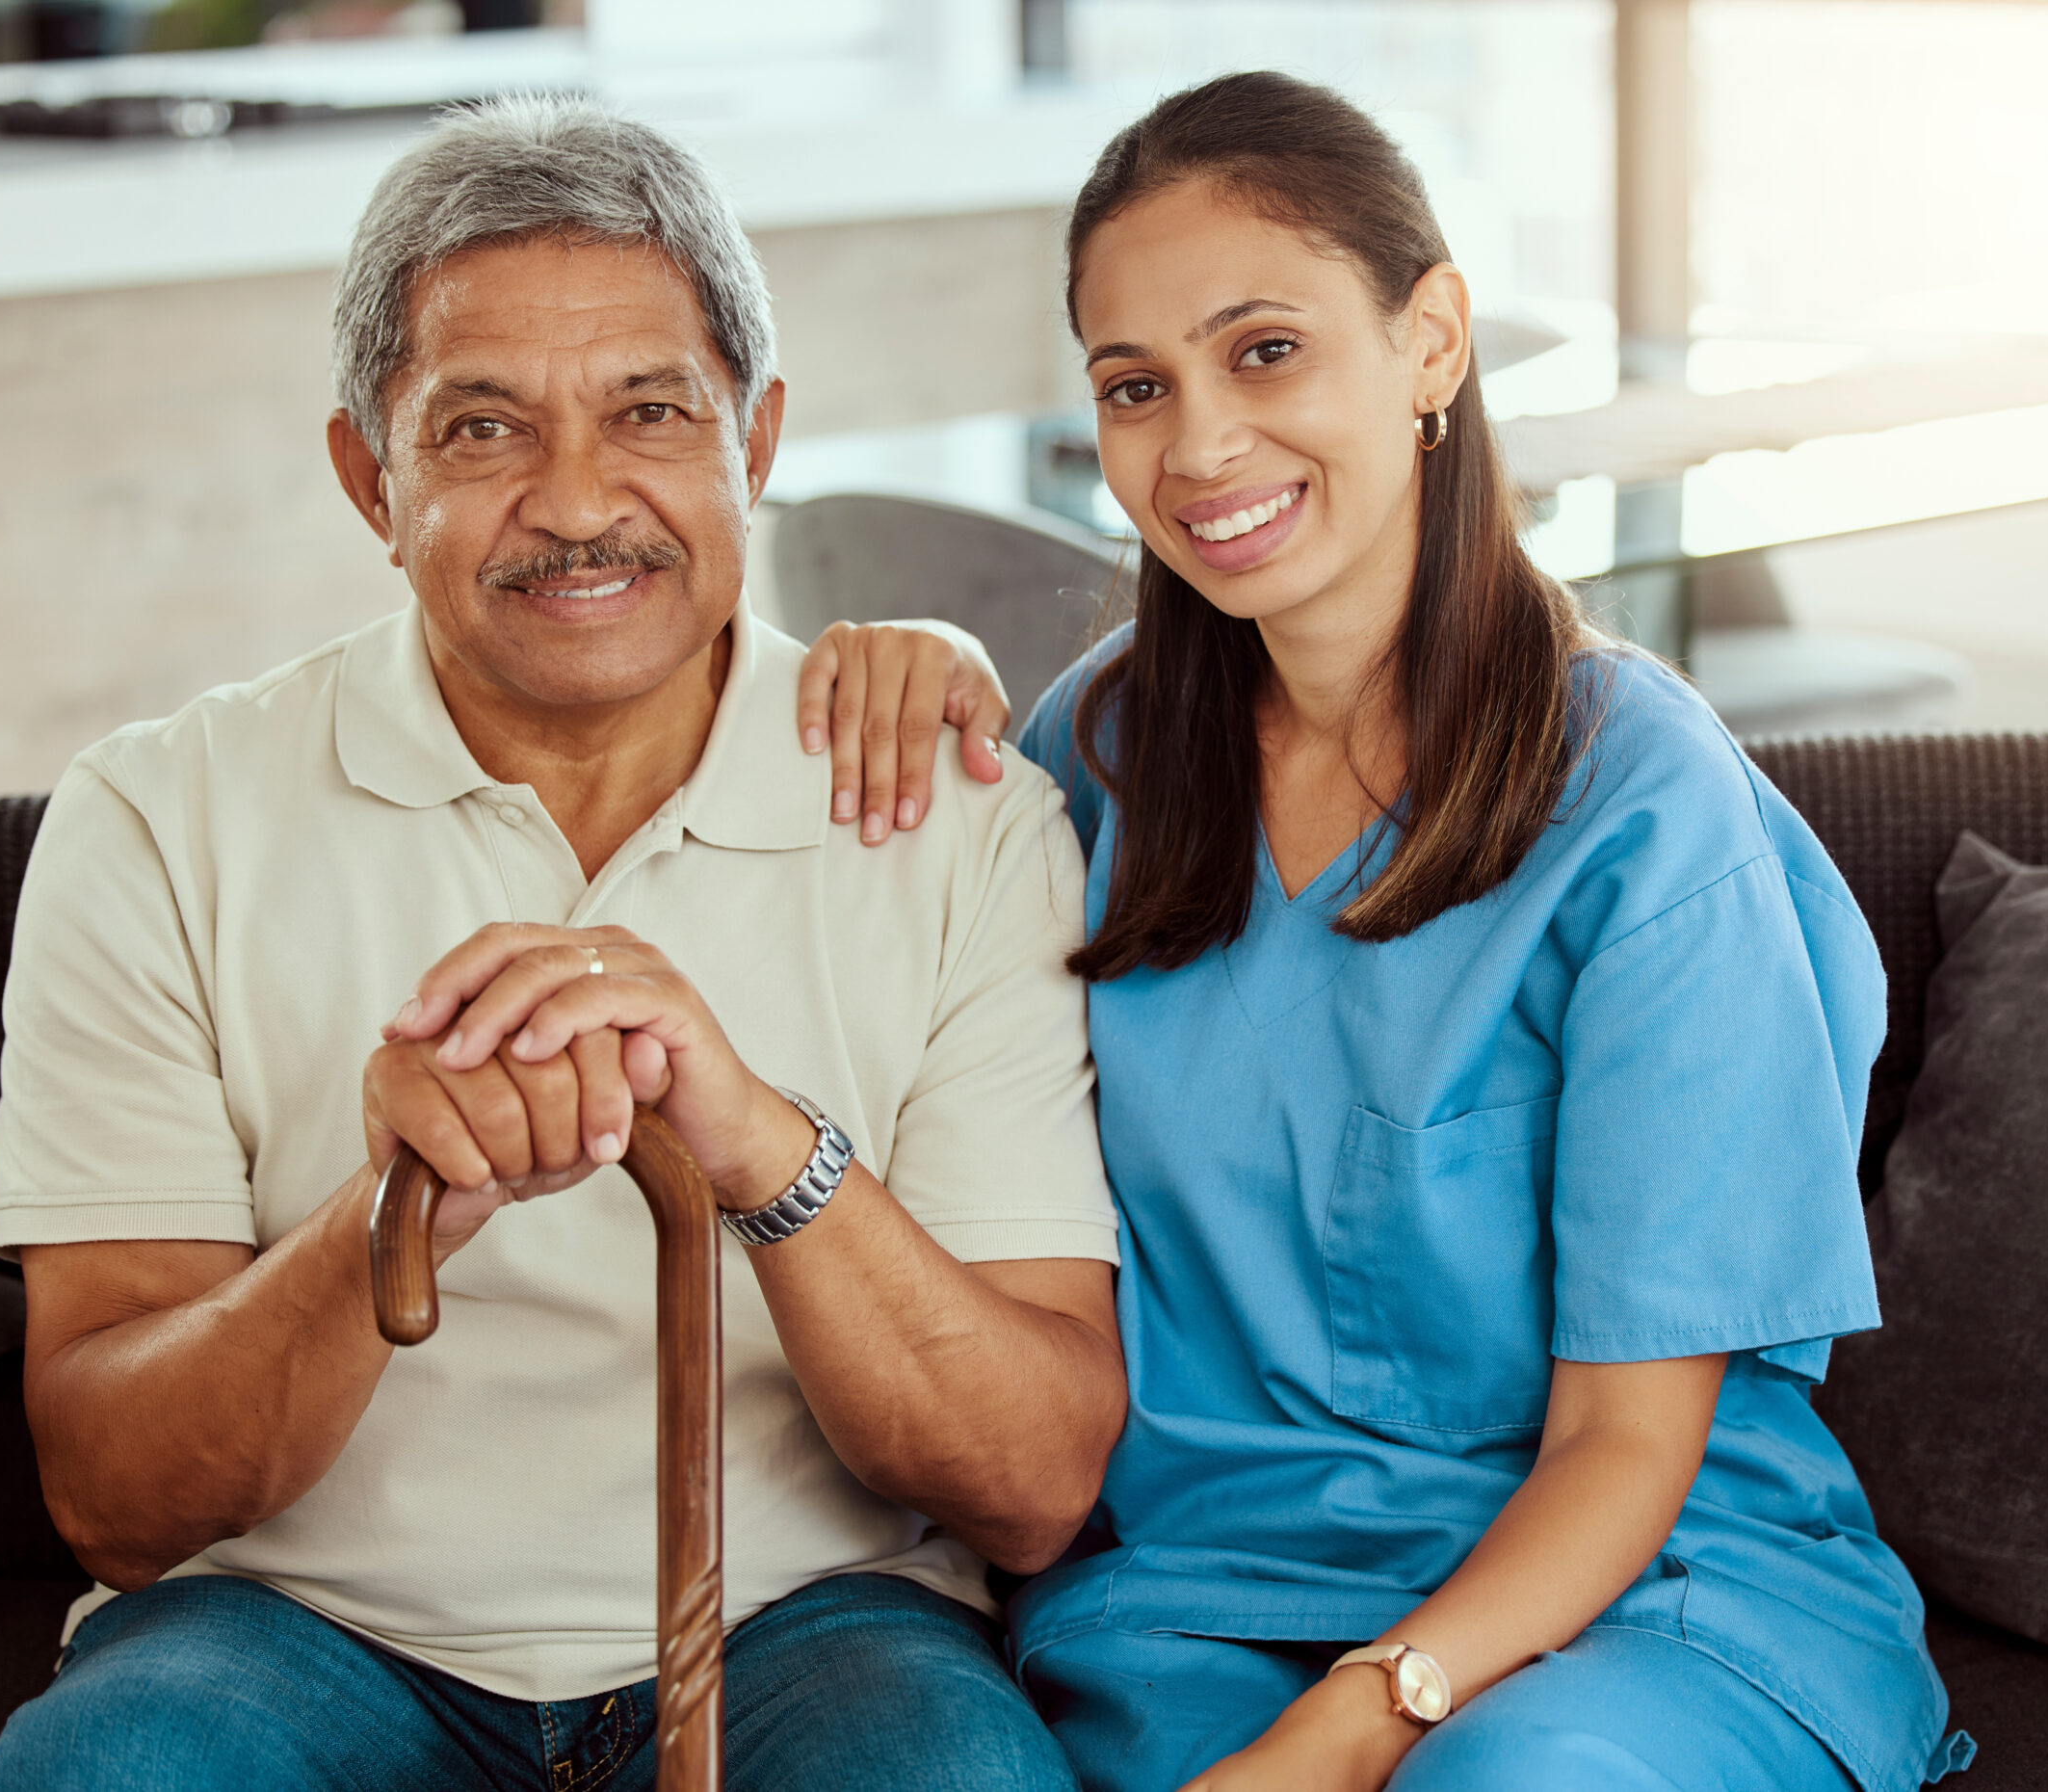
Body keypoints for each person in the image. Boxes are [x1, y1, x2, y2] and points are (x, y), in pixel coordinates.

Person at [796, 71, 1974, 1792]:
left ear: (1432, 344)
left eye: (1264, 350)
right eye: (1138, 387)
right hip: (1197, 1604)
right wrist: (913, 675)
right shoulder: (1088, 760)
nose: (1197, 447)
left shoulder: (1643, 805)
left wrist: (1359, 1726)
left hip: (1636, 1599)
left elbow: (1628, 1441)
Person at [0, 95, 1125, 1792]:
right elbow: (114, 1496)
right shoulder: (157, 817)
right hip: (290, 1633)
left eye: (651, 410)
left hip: (811, 1624)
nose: (579, 501)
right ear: (371, 479)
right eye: (483, 429)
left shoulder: (957, 816)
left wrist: (762, 1148)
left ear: (760, 439)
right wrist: (388, 1223)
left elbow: (1033, 1480)